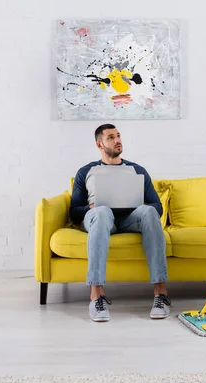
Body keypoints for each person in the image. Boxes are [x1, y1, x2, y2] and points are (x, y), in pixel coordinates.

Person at [69, 123, 171, 322]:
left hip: (129, 220)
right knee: (103, 212)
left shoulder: (137, 170)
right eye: (111, 137)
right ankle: (96, 294)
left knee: (148, 211)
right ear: (99, 145)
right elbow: (74, 212)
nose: (117, 140)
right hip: (99, 219)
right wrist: (92, 209)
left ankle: (161, 294)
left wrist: (134, 202)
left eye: (118, 136)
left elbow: (156, 207)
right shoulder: (86, 172)